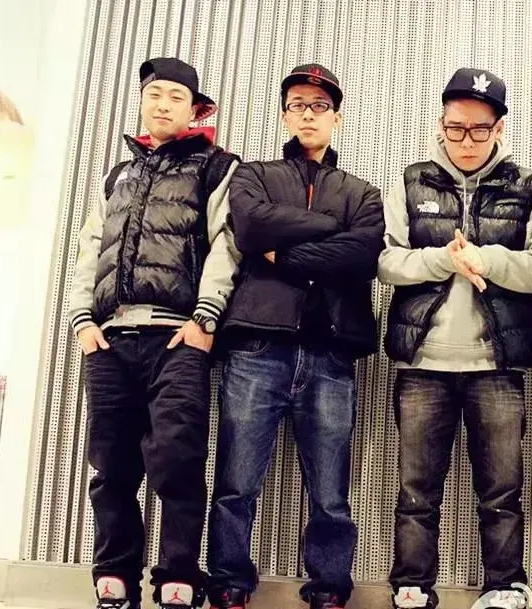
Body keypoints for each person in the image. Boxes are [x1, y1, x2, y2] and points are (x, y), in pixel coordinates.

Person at [205, 63, 384, 609]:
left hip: (330, 352)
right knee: (236, 481)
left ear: (337, 117)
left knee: (330, 491)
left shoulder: (362, 192)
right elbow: (250, 227)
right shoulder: (253, 175)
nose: (309, 115)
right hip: (257, 347)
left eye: (320, 106)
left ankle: (328, 587)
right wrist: (329, 226)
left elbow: (362, 254)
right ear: (285, 114)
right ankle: (229, 581)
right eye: (298, 105)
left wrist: (283, 253)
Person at [379, 67, 532, 609]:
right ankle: (411, 586)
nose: (467, 140)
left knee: (502, 491)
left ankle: (505, 586)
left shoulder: (526, 185)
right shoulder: (411, 180)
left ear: (499, 129)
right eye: (456, 128)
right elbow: (386, 260)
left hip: (496, 365)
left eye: (480, 129)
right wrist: (443, 260)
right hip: (422, 365)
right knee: (416, 490)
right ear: (440, 124)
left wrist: (486, 259)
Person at [68, 57, 240, 609]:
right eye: (154, 94)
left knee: (177, 459)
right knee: (111, 466)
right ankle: (114, 574)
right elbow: (90, 248)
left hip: (177, 339)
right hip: (110, 340)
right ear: (143, 101)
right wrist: (82, 321)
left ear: (195, 109)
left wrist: (205, 318)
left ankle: (178, 577)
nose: (163, 104)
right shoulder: (117, 174)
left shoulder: (216, 167)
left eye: (175, 97)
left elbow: (226, 246)